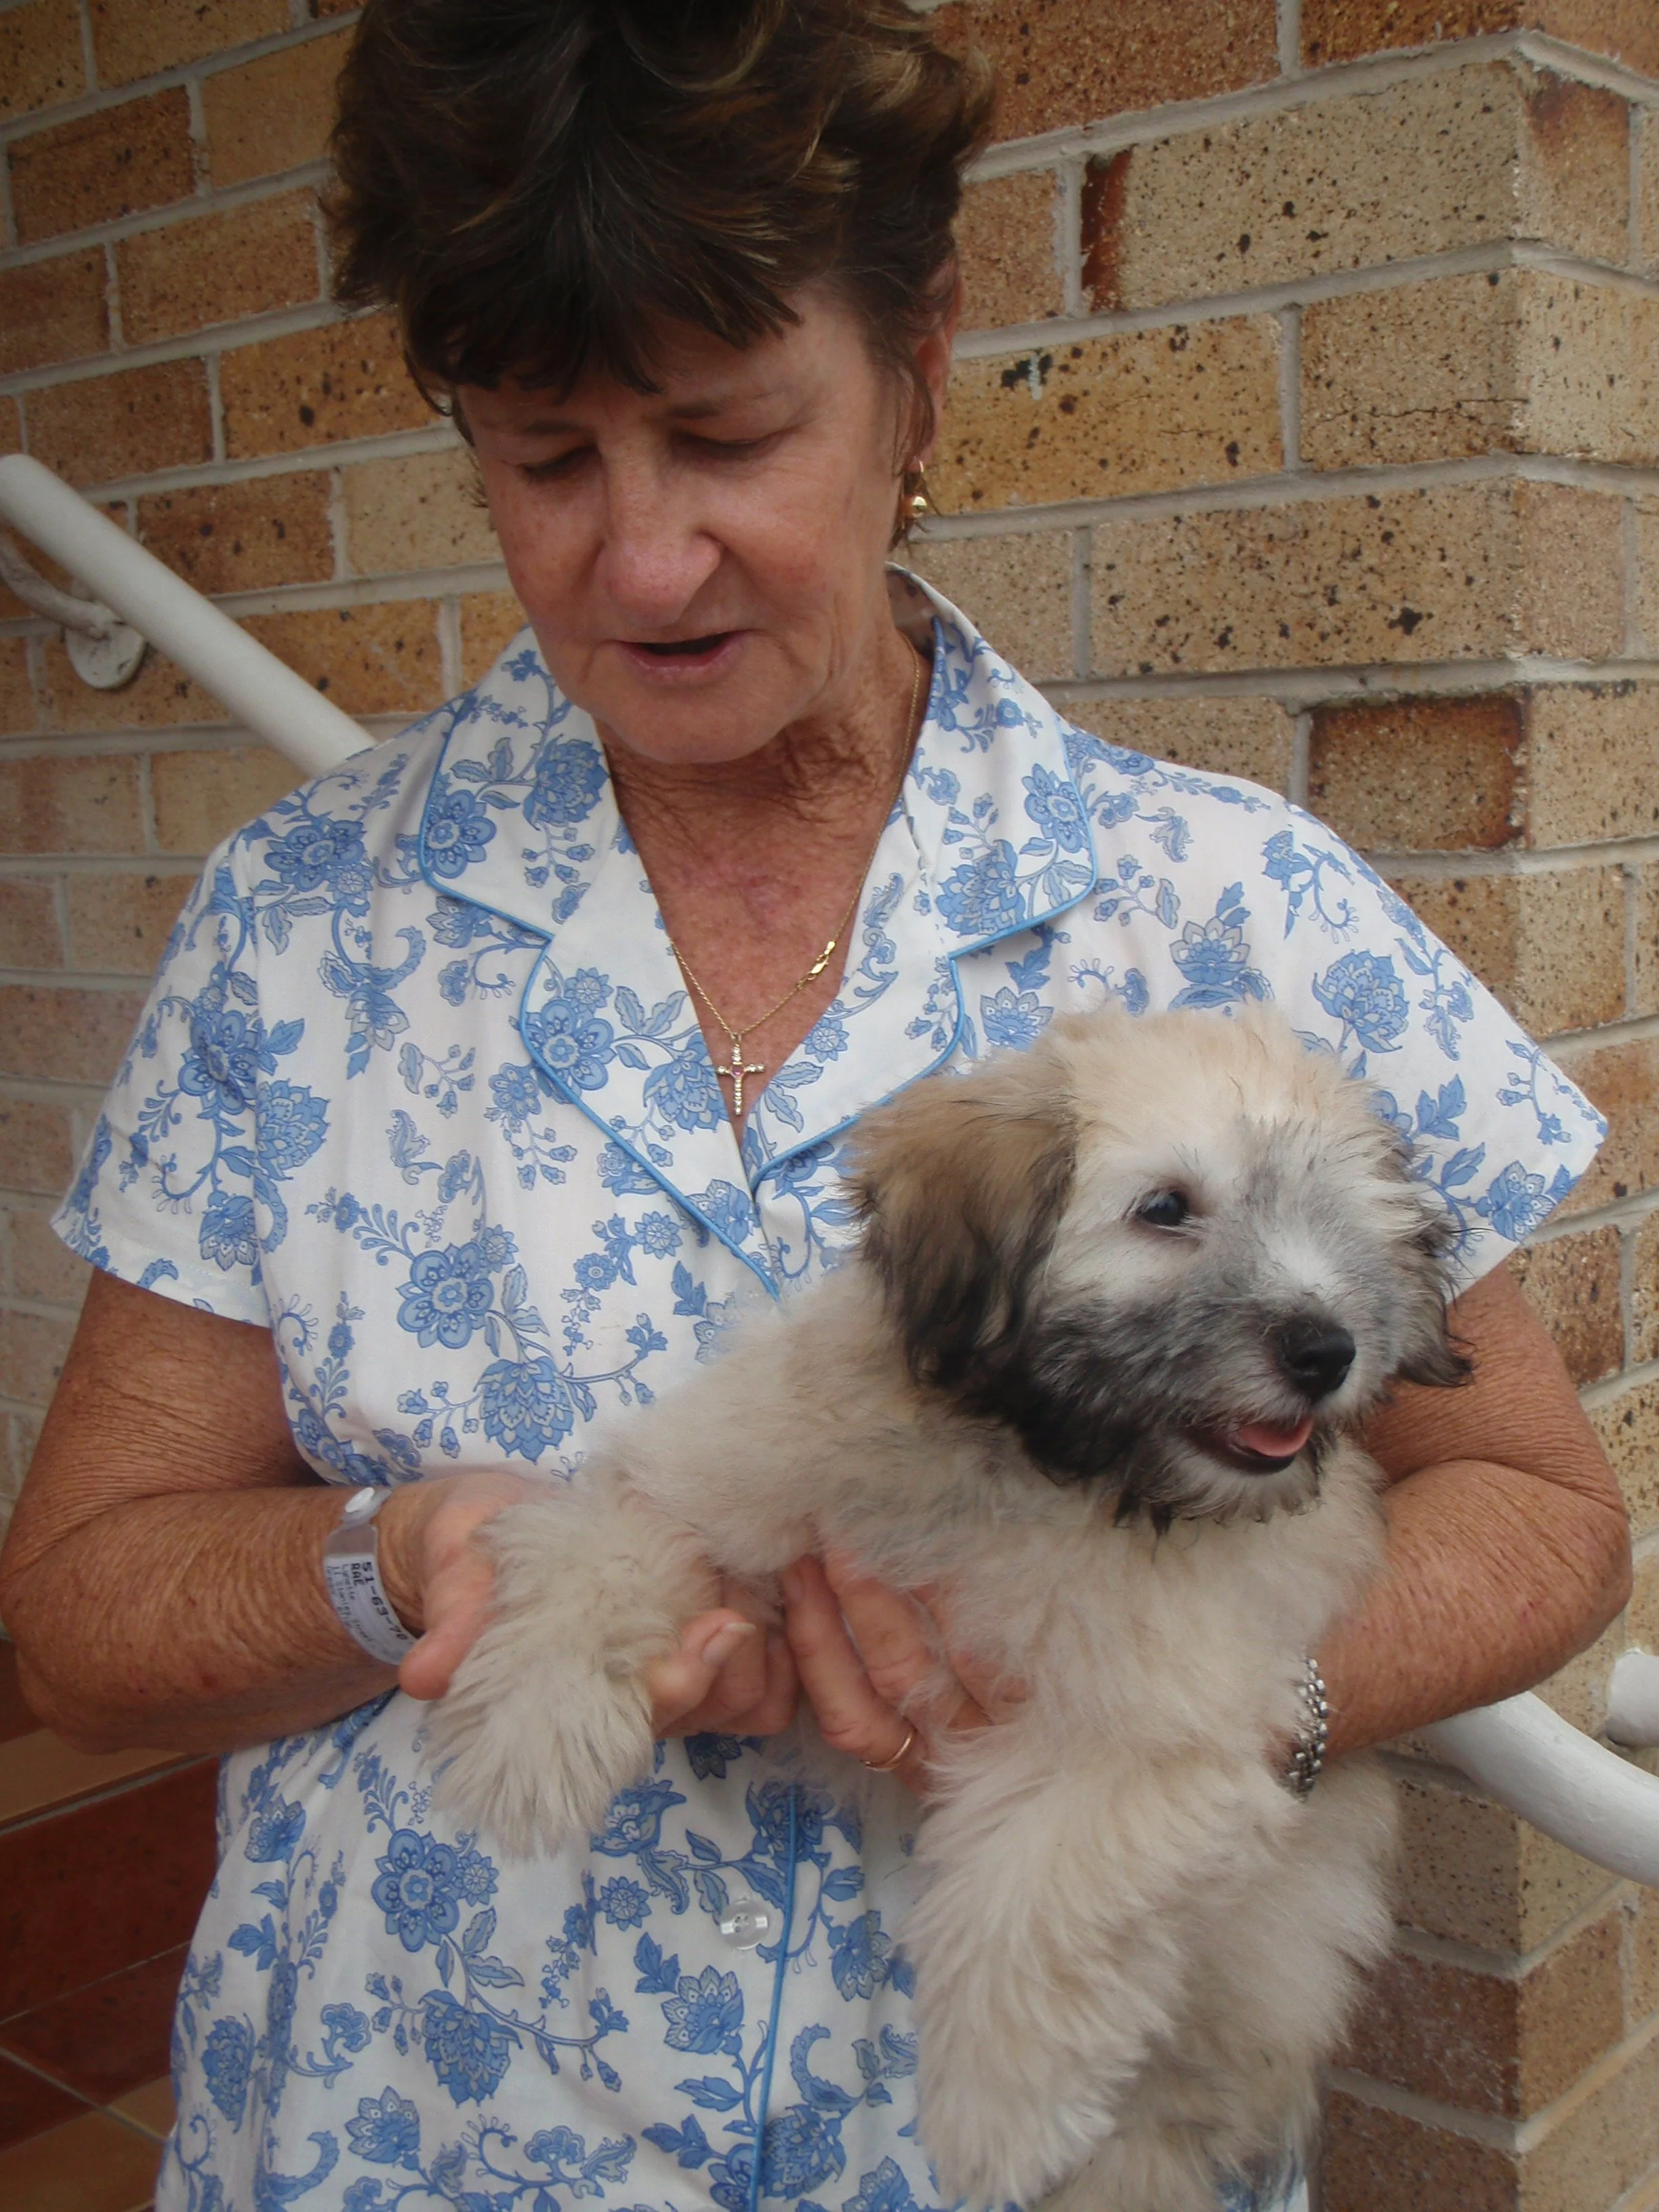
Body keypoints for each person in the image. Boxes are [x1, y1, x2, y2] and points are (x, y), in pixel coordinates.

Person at [0, 3, 1629, 2209]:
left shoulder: (1233, 898)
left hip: (1040, 2143)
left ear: (920, 367)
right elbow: (84, 1602)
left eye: (725, 433)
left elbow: (1540, 1508)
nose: (641, 560)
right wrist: (391, 1564)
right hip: (432, 2131)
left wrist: (1206, 1703)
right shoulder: (304, 921)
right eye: (545, 458)